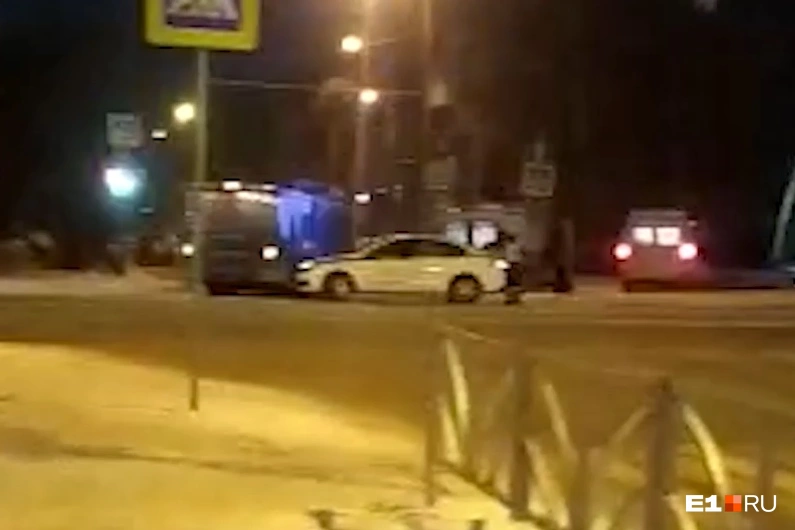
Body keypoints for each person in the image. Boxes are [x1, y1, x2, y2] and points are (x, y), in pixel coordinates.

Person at [503, 234, 523, 304]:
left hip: (511, 264)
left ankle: (511, 297)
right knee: (515, 281)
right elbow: (521, 254)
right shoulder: (517, 247)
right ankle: (515, 297)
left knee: (510, 281)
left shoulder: (508, 247)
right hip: (515, 264)